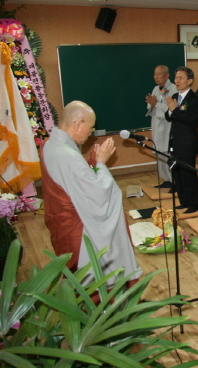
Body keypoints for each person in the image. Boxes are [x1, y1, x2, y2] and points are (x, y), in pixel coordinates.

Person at [41, 101, 142, 286]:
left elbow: (73, 176)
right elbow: (98, 195)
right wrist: (101, 164)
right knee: (91, 282)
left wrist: (90, 161)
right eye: (91, 127)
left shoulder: (51, 145)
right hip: (78, 231)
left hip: (60, 222)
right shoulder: (68, 156)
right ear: (78, 123)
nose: (91, 132)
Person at [164, 67, 198, 214]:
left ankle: (194, 204)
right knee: (177, 174)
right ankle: (183, 201)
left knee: (188, 175)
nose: (177, 81)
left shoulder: (194, 99)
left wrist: (175, 110)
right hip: (174, 141)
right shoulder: (174, 95)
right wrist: (170, 110)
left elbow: (191, 119)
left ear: (190, 81)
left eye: (181, 78)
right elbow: (169, 117)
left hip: (187, 143)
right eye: (176, 78)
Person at [145, 65, 177, 189]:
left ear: (167, 75)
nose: (156, 77)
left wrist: (156, 104)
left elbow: (170, 109)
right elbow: (151, 109)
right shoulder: (155, 89)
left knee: (168, 153)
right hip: (156, 126)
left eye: (159, 74)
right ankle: (166, 180)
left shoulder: (173, 88)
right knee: (159, 153)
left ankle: (174, 180)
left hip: (167, 126)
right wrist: (152, 105)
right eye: (155, 74)